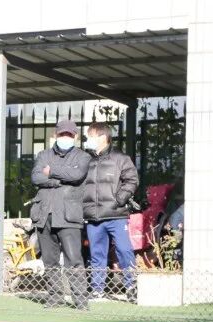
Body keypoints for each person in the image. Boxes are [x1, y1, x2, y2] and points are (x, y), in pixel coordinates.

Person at [30, 119, 92, 309]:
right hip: (44, 214)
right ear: (55, 135)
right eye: (62, 134)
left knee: (74, 260)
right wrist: (57, 180)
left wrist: (51, 171)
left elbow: (77, 175)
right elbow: (36, 177)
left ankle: (80, 300)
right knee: (49, 261)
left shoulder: (83, 157)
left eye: (69, 134)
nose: (66, 137)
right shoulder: (43, 155)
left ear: (75, 136)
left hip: (68, 216)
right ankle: (55, 297)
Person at [81, 122, 139, 303]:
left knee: (124, 250)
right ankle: (97, 289)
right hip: (93, 217)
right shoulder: (86, 159)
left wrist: (119, 199)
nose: (87, 139)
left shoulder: (120, 158)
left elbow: (132, 180)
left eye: (91, 135)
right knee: (96, 254)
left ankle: (132, 287)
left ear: (102, 137)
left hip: (116, 215)